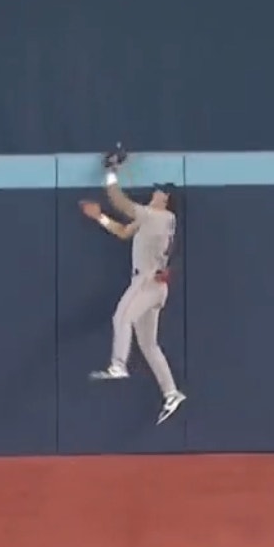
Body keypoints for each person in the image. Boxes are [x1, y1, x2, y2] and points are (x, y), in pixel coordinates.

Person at [78, 159, 188, 425]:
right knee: (149, 345)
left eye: (160, 192)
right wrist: (101, 218)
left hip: (146, 282)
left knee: (121, 318)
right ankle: (171, 392)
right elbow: (124, 231)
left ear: (166, 200)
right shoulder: (153, 220)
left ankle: (118, 364)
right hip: (156, 287)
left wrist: (110, 172)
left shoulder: (158, 215)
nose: (154, 193)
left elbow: (120, 202)